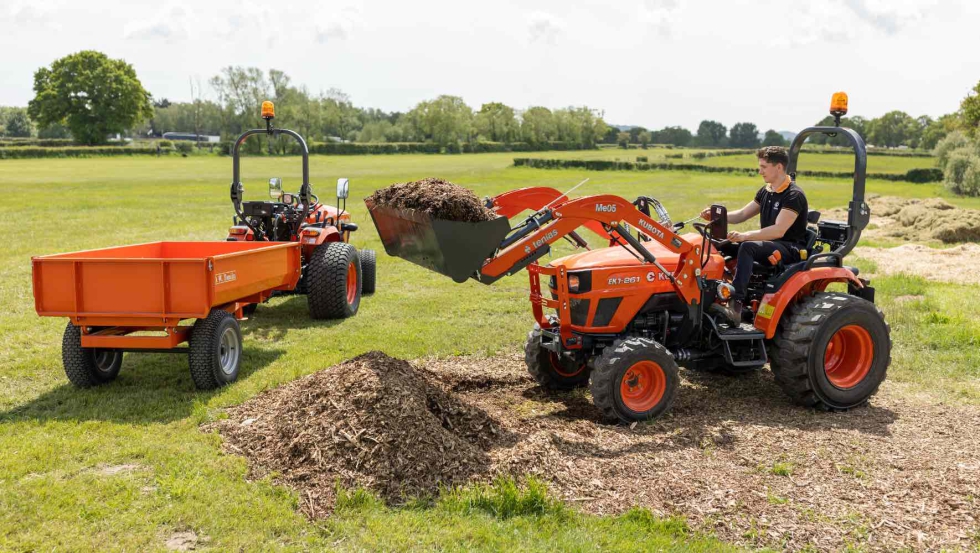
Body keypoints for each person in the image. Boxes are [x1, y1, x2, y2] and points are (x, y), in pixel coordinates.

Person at [700, 145, 809, 325]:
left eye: (763, 167)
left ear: (779, 167)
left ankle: (736, 304)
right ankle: (714, 292)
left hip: (790, 248)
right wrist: (717, 216)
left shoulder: (793, 195)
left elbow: (778, 230)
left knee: (747, 246)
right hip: (770, 244)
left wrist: (745, 236)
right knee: (721, 243)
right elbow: (743, 214)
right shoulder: (767, 191)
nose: (760, 171)